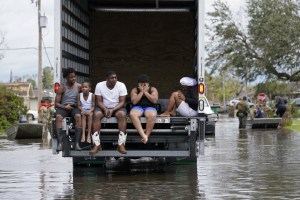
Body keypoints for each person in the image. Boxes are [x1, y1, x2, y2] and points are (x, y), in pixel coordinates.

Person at [90, 71, 128, 155]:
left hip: (118, 107)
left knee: (122, 114)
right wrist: (105, 109)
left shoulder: (121, 85)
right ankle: (96, 144)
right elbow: (99, 101)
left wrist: (113, 109)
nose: (114, 79)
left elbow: (122, 102)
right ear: (106, 79)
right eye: (112, 78)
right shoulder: (99, 85)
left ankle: (121, 144)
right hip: (103, 106)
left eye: (115, 78)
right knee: (96, 115)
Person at [55, 67, 82, 151]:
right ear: (66, 77)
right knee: (58, 117)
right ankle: (60, 143)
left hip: (74, 107)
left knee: (78, 116)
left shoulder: (79, 86)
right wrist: (65, 107)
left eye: (74, 76)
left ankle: (76, 144)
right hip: (64, 107)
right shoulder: (62, 87)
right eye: (71, 77)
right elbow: (56, 103)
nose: (73, 78)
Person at [130, 74, 158, 144]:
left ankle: (146, 136)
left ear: (148, 84)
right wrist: (142, 92)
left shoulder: (153, 89)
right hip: (138, 107)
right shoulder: (135, 90)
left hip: (150, 107)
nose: (143, 86)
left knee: (152, 115)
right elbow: (134, 101)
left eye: (145, 84)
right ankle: (143, 135)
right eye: (141, 84)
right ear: (138, 84)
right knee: (132, 114)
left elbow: (154, 100)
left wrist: (146, 92)